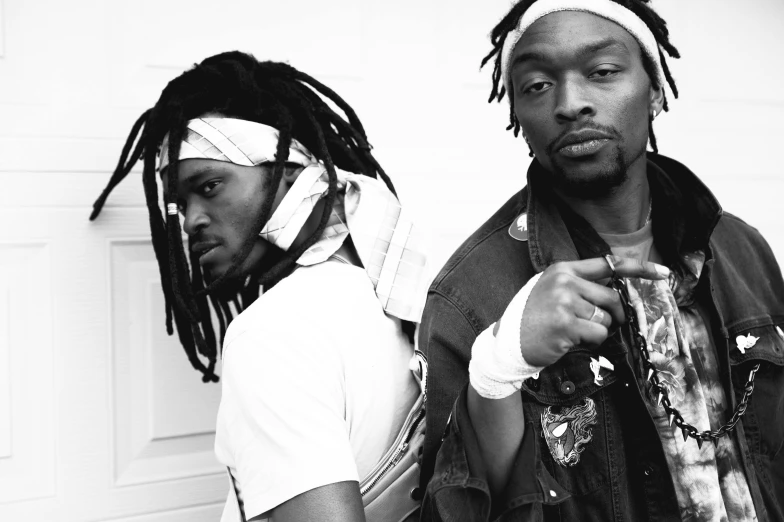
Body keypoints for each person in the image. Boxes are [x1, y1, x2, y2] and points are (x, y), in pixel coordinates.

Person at [418, 1, 784, 521]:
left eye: (602, 72)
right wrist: (499, 372)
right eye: (538, 85)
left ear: (655, 89)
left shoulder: (743, 251)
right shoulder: (470, 294)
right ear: (518, 116)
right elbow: (454, 510)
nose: (570, 103)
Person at [90, 51, 428, 522]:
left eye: (208, 186)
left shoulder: (271, 333)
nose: (191, 221)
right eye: (179, 204)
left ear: (289, 170)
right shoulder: (396, 289)